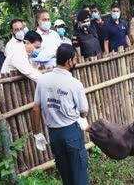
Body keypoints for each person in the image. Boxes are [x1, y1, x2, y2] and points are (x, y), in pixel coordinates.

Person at [32, 43, 90, 185]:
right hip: (71, 133)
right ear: (70, 61)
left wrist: (38, 133)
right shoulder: (74, 83)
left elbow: (36, 109)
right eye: (75, 59)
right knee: (79, 173)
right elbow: (84, 110)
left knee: (66, 174)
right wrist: (81, 118)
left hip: (54, 134)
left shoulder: (43, 80)